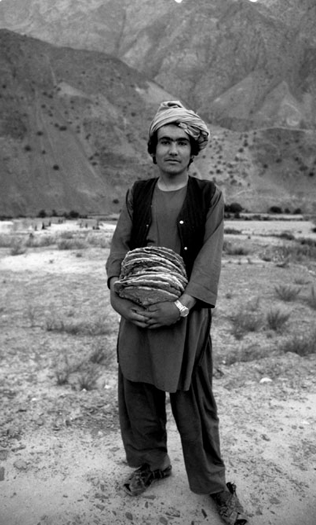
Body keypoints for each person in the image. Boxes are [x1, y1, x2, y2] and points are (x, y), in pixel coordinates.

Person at [106, 101, 249, 525]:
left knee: (193, 402)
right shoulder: (138, 193)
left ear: (193, 150)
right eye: (165, 141)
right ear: (153, 149)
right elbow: (119, 246)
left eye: (182, 142)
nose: (173, 149)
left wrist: (181, 306)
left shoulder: (208, 196)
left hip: (183, 318)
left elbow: (209, 260)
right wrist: (117, 293)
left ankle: (216, 485)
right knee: (137, 393)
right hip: (136, 313)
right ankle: (153, 463)